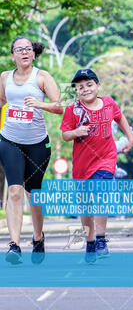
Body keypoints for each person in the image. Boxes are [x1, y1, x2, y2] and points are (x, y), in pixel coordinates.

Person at [60, 68, 133, 263]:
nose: (85, 89)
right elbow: (65, 135)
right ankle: (90, 241)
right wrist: (76, 132)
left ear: (98, 86)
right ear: (76, 90)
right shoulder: (73, 109)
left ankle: (101, 239)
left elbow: (120, 117)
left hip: (106, 160)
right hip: (82, 166)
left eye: (89, 85)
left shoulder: (109, 103)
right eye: (80, 87)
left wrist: (130, 137)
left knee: (101, 195)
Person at [0, 37, 63, 264]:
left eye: (28, 49)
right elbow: (1, 101)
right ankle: (14, 245)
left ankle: (38, 237)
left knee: (32, 193)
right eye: (19, 49)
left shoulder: (42, 77)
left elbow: (60, 106)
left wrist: (40, 104)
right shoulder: (5, 77)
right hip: (10, 140)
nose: (24, 52)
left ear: (33, 54)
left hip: (38, 144)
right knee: (15, 190)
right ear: (13, 55)